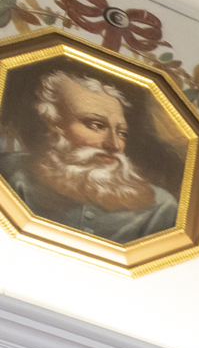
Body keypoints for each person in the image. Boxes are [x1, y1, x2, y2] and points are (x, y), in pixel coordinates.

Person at [1, 64, 180, 242]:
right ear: (53, 123)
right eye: (96, 126)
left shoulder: (161, 208)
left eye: (121, 133)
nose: (114, 145)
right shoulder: (11, 172)